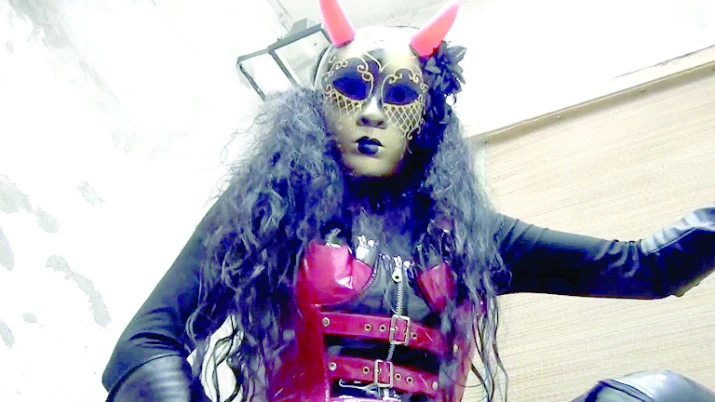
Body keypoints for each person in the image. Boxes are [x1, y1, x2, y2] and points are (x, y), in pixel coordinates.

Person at [101, 0, 715, 401]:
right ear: (319, 105)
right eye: (350, 87)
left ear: (426, 117)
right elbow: (143, 346)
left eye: (398, 94)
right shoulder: (272, 208)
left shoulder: (471, 236)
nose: (371, 111)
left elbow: (645, 267)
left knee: (663, 396)